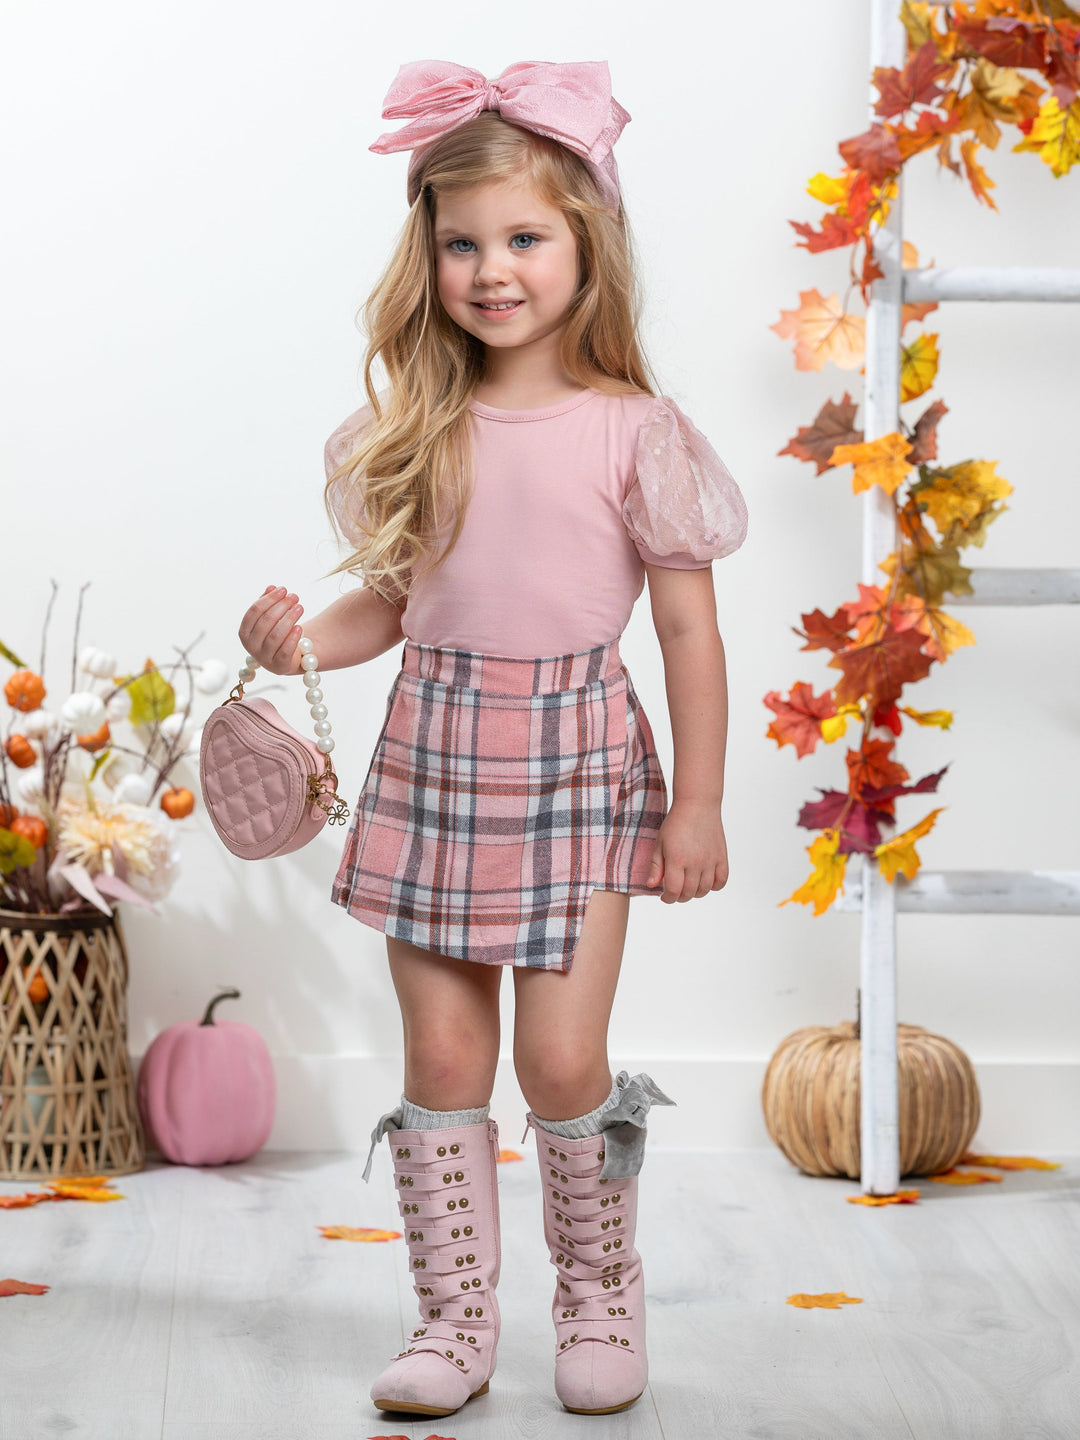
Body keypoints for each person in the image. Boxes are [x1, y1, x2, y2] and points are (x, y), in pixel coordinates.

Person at [239, 58, 748, 1423]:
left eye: (524, 238)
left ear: (589, 244)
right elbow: (395, 603)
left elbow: (689, 635)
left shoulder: (637, 433)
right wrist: (296, 644)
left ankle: (599, 1293)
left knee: (562, 1062)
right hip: (435, 760)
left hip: (576, 764)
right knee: (446, 1063)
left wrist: (697, 806)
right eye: (461, 243)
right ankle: (454, 1321)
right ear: (428, 257)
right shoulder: (417, 427)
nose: (492, 270)